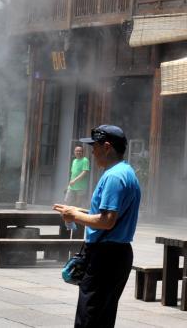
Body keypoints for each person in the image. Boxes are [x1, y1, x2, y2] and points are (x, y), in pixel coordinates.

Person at [53, 125, 141, 328]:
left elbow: (107, 220)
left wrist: (74, 215)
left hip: (105, 257)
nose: (92, 152)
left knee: (89, 317)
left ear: (107, 147)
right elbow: (109, 217)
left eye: (95, 147)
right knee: (102, 317)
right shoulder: (126, 172)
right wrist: (80, 212)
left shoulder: (113, 177)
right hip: (116, 254)